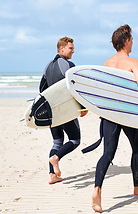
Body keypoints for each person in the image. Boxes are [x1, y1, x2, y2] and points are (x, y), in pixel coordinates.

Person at [84, 24, 138, 213]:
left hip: (111, 114)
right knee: (137, 148)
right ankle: (137, 186)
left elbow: (101, 91)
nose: (133, 43)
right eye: (131, 39)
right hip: (130, 114)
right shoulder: (133, 63)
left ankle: (97, 189)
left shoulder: (107, 63)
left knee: (108, 153)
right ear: (126, 41)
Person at [39, 37, 88, 184]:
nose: (73, 51)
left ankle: (52, 175)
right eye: (70, 48)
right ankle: (56, 158)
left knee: (57, 142)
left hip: (52, 112)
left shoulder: (47, 66)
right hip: (66, 111)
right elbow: (75, 88)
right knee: (75, 140)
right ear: (62, 49)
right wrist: (82, 107)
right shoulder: (68, 65)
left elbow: (42, 89)